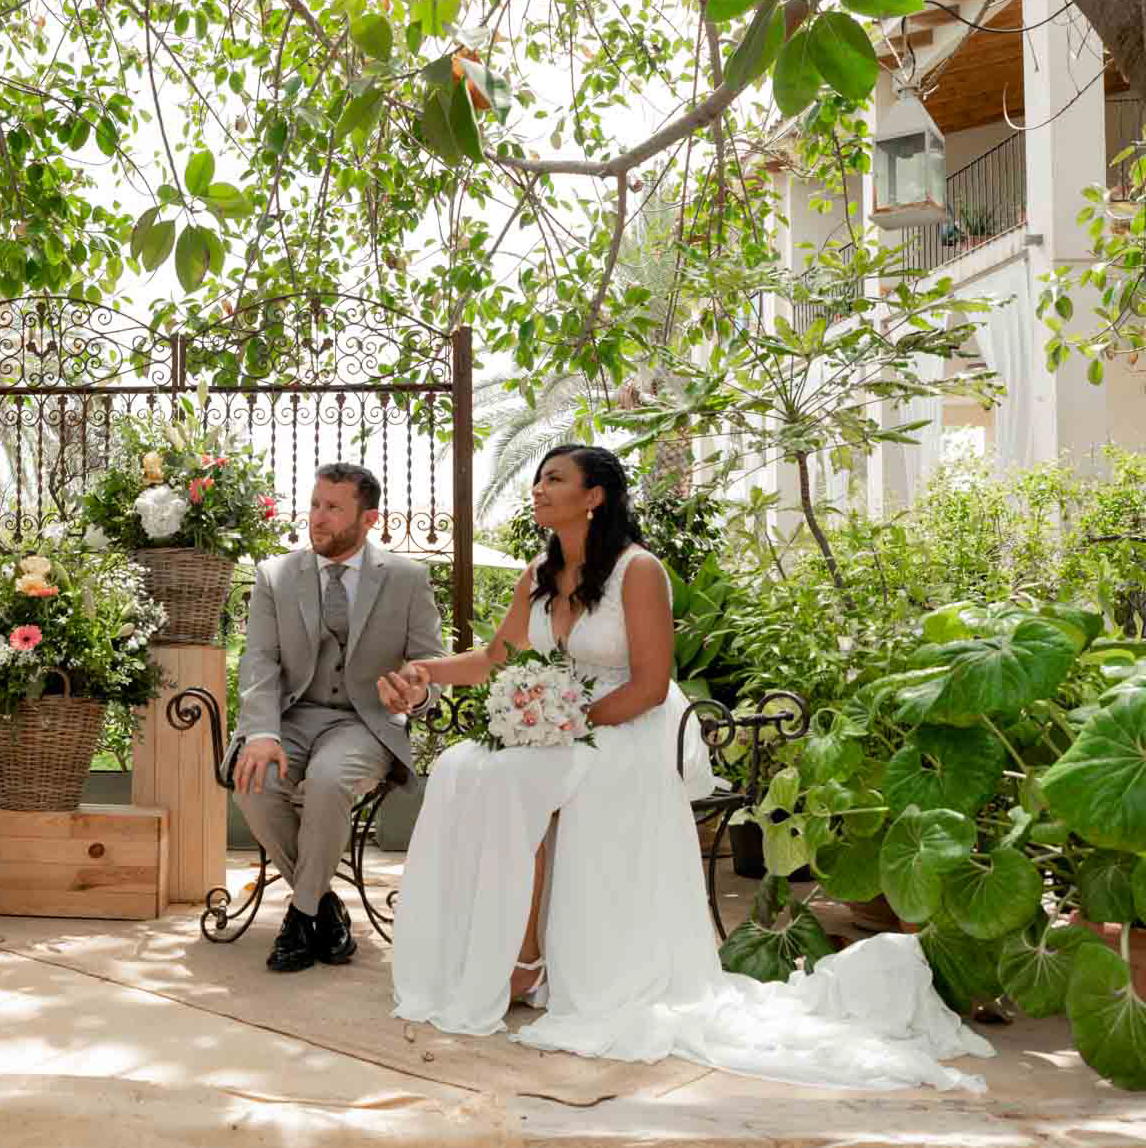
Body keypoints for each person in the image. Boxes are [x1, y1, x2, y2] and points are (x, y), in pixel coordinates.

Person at [389, 445, 992, 1091]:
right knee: (462, 766)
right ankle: (491, 952)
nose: (538, 488)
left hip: (633, 724)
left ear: (595, 496)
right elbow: (496, 656)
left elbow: (650, 685)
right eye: (537, 478)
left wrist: (560, 723)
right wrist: (424, 674)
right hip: (563, 722)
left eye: (555, 479)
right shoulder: (539, 570)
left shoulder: (638, 570)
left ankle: (527, 959)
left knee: (515, 777)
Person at [228, 463, 446, 972]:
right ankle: (324, 907)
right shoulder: (275, 575)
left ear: (368, 518)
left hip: (363, 722)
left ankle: (300, 917)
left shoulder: (408, 579)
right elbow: (258, 661)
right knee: (253, 782)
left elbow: (428, 666)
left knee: (328, 782)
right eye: (314, 504)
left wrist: (413, 695)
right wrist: (261, 732)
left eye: (332, 508)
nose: (317, 518)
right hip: (292, 717)